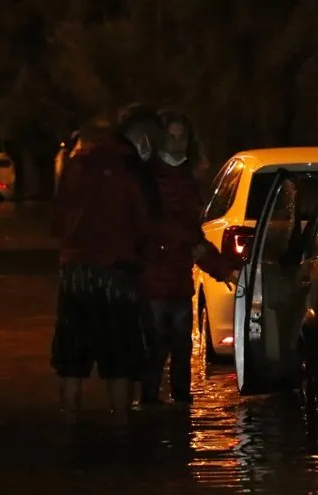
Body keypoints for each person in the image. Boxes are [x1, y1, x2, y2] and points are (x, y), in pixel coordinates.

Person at [50, 104, 163, 426]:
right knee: (120, 361)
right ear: (140, 139)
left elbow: (57, 222)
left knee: (71, 360)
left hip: (75, 273)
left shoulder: (74, 167)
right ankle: (121, 431)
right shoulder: (132, 171)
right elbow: (145, 224)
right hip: (117, 273)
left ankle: (70, 427)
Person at [137, 110, 240, 409]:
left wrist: (220, 267)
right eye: (172, 137)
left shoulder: (187, 178)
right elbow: (172, 230)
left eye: (181, 137)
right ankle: (152, 400)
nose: (177, 143)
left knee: (180, 346)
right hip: (157, 276)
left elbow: (189, 234)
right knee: (158, 346)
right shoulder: (153, 179)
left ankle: (176, 401)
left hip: (179, 277)